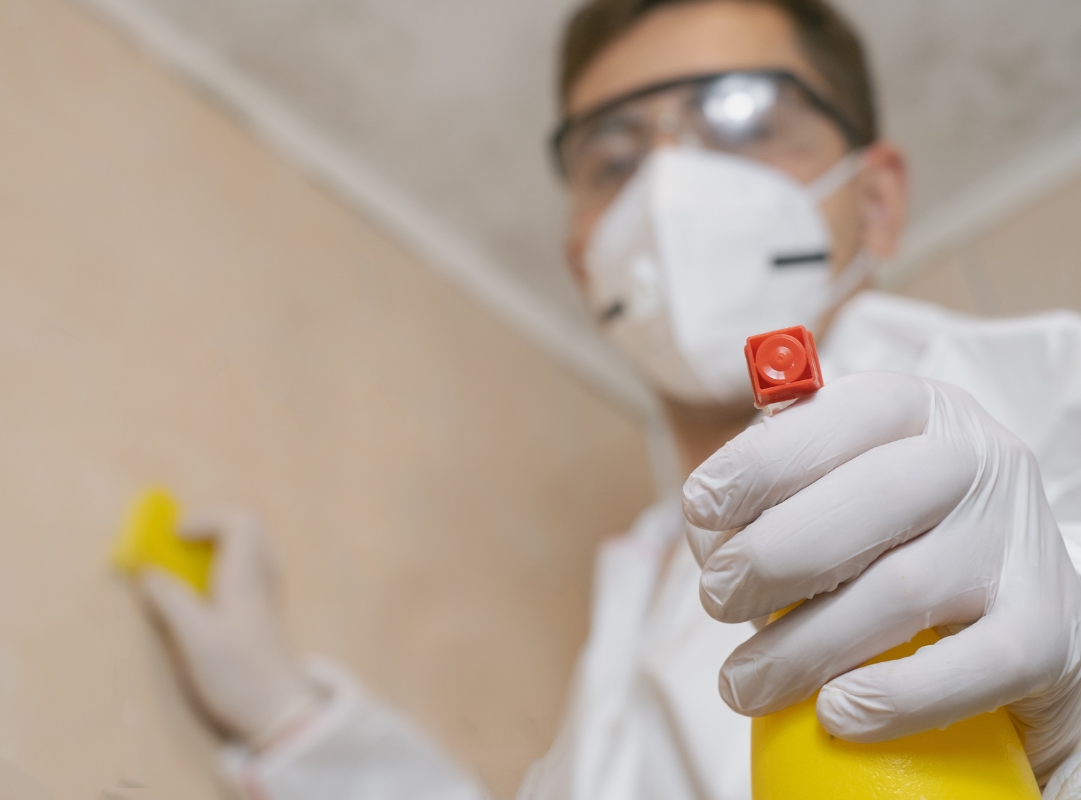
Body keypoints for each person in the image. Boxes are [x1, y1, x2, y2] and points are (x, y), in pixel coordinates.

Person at [136, 1, 1081, 798]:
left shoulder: (1053, 396)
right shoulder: (643, 583)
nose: (671, 192)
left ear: (874, 202)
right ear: (585, 259)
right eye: (614, 159)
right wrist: (294, 723)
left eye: (744, 119)